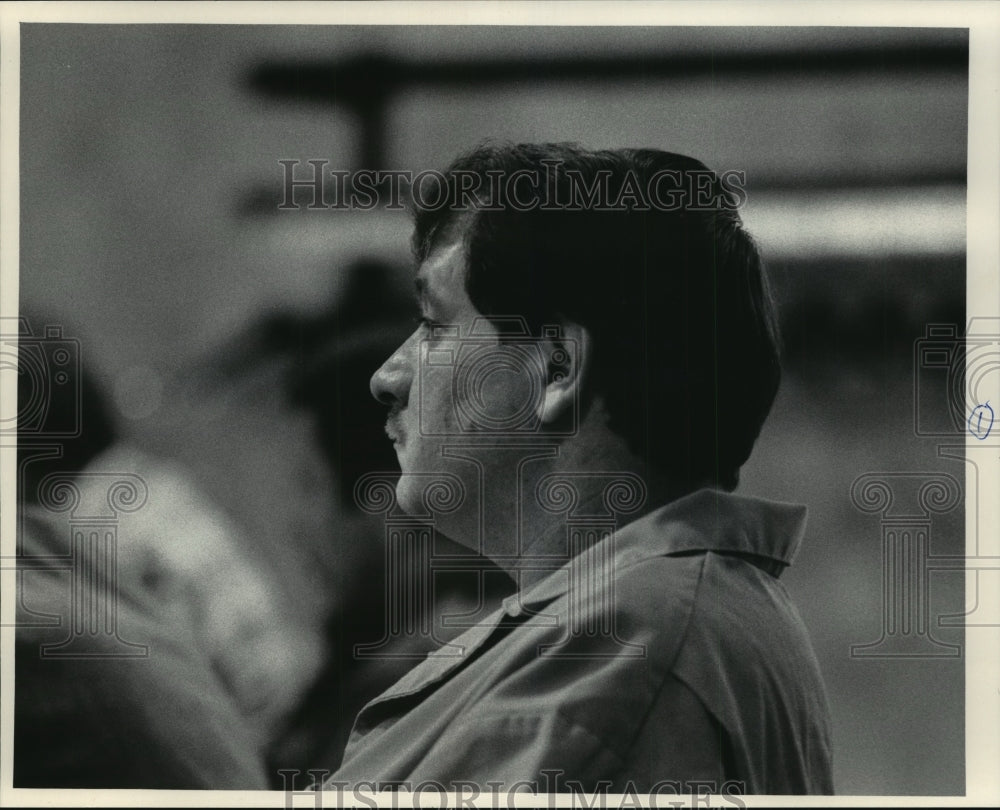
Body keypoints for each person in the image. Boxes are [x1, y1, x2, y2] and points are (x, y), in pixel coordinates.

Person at [326, 143, 834, 796]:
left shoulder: (616, 664)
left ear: (557, 367)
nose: (387, 376)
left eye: (434, 325)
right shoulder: (654, 623)